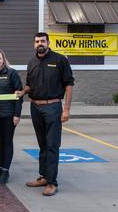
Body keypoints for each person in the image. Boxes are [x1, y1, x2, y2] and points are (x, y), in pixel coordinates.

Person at [16, 32, 74, 196]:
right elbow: (30, 85)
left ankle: (52, 182)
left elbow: (69, 85)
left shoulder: (60, 60)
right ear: (34, 44)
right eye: (37, 41)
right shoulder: (32, 62)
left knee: (52, 145)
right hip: (35, 107)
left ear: (48, 42)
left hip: (53, 107)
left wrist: (67, 109)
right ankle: (43, 176)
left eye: (42, 41)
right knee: (42, 145)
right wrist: (22, 92)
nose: (39, 43)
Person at [0, 49, 23, 184]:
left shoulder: (11, 73)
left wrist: (17, 114)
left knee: (7, 143)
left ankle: (5, 171)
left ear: (3, 59)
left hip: (8, 115)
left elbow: (19, 95)